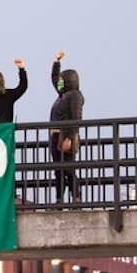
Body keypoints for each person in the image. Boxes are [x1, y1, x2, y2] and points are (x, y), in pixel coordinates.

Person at [49, 49, 85, 204]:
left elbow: (76, 118)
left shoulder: (75, 95)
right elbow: (54, 79)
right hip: (56, 136)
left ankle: (76, 198)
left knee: (69, 170)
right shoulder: (62, 95)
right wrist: (56, 62)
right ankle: (59, 200)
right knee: (58, 171)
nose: (60, 82)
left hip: (66, 135)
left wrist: (70, 137)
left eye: (64, 79)